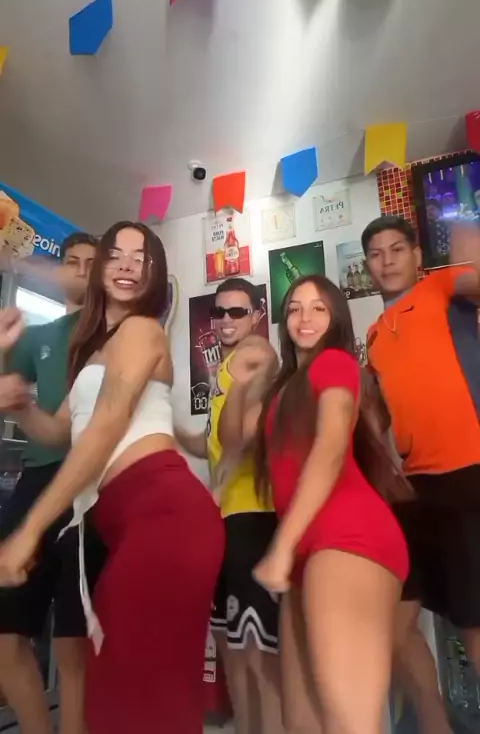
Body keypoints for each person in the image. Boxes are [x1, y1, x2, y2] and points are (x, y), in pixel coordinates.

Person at [0, 222, 224, 734]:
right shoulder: (92, 352)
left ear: (154, 272)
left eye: (139, 257)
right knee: (122, 695)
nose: (125, 265)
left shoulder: (143, 331)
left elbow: (105, 428)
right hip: (128, 522)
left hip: (165, 516)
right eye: (115, 254)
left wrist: (30, 530)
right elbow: (61, 432)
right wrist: (21, 404)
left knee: (140, 701)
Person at [249, 275, 409, 734]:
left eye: (319, 308)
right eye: (295, 308)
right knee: (301, 723)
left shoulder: (334, 363)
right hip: (307, 552)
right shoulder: (283, 388)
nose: (305, 317)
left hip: (347, 538)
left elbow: (332, 445)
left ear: (336, 317)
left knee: (350, 723)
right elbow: (234, 443)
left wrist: (282, 547)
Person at [362, 215, 480, 734]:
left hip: (468, 473)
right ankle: (437, 726)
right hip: (416, 490)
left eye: (396, 249)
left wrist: (469, 239)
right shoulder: (374, 336)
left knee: (473, 621)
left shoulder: (442, 286)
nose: (386, 261)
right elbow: (376, 417)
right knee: (393, 625)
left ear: (415, 255)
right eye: (376, 254)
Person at [0, 231, 104, 734]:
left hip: (89, 484)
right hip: (35, 480)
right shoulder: (36, 337)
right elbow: (10, 394)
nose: (82, 271)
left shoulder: (113, 330)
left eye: (91, 263)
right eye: (73, 262)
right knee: (6, 638)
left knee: (72, 645)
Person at [176, 278, 283, 734]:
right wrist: (165, 425)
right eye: (218, 312)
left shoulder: (254, 355)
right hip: (226, 521)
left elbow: (241, 439)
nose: (225, 320)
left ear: (256, 315)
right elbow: (211, 444)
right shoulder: (223, 370)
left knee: (259, 657)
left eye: (237, 312)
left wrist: (218, 485)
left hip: (252, 517)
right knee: (233, 650)